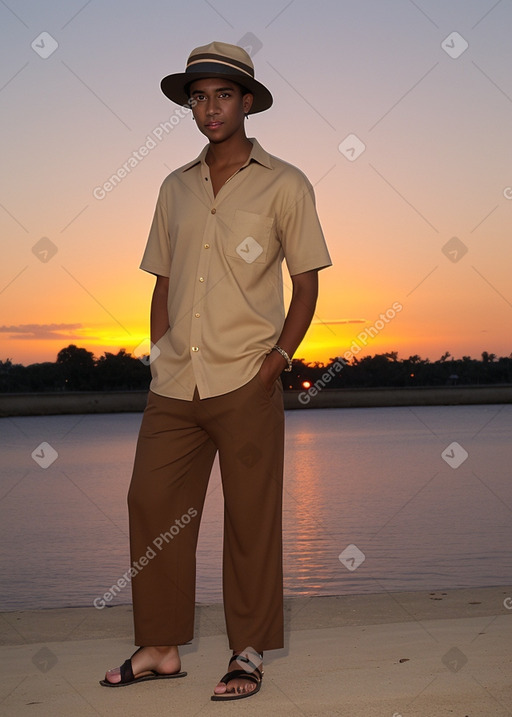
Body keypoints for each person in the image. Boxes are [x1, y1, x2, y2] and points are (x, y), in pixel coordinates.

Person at [100, 40, 331, 701]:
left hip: (246, 379)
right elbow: (162, 283)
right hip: (175, 383)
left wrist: (278, 361)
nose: (210, 108)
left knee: (251, 518)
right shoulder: (173, 187)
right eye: (198, 97)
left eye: (222, 95)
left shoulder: (286, 183)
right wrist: (157, 354)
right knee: (150, 500)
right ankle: (162, 646)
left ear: (247, 102)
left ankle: (248, 651)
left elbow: (307, 284)